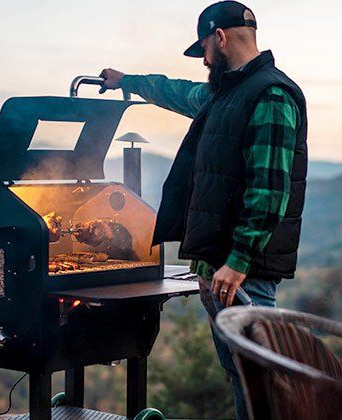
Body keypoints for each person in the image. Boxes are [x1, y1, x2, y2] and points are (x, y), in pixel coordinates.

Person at [99, 1, 308, 418]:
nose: (204, 61)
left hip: (245, 275)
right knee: (240, 374)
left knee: (260, 380)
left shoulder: (270, 95)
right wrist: (129, 81)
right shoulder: (224, 95)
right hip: (221, 270)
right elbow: (175, 91)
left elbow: (270, 190)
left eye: (205, 50)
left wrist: (238, 261)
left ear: (221, 37)